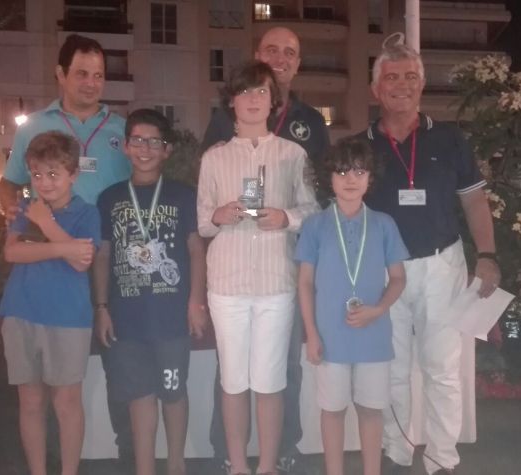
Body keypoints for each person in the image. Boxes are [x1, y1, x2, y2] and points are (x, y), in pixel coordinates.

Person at [357, 40, 502, 475]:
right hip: (385, 271)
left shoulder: (450, 138)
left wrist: (488, 255)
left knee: (442, 368)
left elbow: (474, 201)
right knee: (392, 368)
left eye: (410, 77)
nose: (401, 85)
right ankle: (397, 454)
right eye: (391, 77)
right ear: (375, 89)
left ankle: (442, 460)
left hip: (442, 264)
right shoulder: (360, 146)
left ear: (422, 85)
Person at [0, 34, 134, 464]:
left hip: (110, 260)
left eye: (99, 75)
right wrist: (14, 211)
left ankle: (129, 460)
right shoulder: (34, 127)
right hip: (43, 277)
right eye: (81, 73)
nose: (91, 83)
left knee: (118, 369)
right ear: (61, 74)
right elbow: (9, 183)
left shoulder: (121, 130)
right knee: (39, 394)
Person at [200, 26, 329, 474]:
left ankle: (269, 465)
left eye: (261, 92)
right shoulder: (214, 157)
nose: (253, 99)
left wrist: (285, 217)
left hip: (277, 283)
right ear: (231, 102)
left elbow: (313, 210)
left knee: (272, 382)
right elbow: (202, 220)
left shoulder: (294, 154)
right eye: (244, 92)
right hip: (227, 286)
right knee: (233, 382)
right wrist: (220, 215)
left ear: (273, 100)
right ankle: (237, 465)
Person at [93, 109, 208, 475]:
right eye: (138, 141)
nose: (145, 149)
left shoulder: (182, 195)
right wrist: (102, 306)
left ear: (166, 150)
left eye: (154, 142)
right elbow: (103, 254)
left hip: (171, 318)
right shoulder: (109, 198)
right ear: (126, 146)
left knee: (173, 394)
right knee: (139, 398)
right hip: (127, 321)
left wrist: (195, 301)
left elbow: (195, 249)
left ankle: (176, 465)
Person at [296, 137, 408, 475]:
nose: (350, 179)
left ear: (370, 178)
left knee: (372, 410)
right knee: (332, 411)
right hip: (329, 336)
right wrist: (312, 334)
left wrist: (378, 310)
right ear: (328, 178)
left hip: (374, 336)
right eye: (342, 171)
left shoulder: (384, 224)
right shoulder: (314, 225)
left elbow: (398, 279)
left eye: (359, 172)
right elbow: (304, 283)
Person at [0, 131, 100, 475]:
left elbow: (82, 262)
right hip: (21, 312)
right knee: (30, 402)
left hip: (68, 317)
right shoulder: (25, 210)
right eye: (37, 174)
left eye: (54, 174)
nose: (44, 182)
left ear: (73, 174)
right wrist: (65, 247)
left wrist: (45, 223)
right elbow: (13, 252)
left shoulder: (86, 213)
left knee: (67, 402)